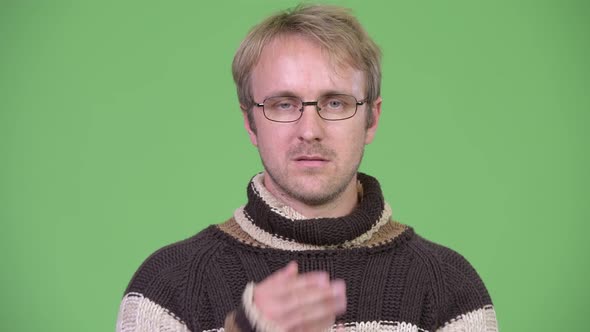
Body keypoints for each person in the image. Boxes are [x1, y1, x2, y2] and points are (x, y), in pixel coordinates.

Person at [116, 4, 498, 332]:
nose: (309, 131)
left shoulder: (450, 287)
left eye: (335, 103)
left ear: (372, 119)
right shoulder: (166, 287)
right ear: (251, 123)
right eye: (283, 104)